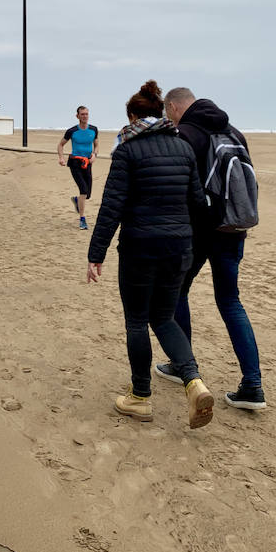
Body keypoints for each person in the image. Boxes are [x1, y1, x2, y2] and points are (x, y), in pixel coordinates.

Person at [87, 80, 214, 429]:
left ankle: (140, 397)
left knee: (137, 320)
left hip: (140, 248)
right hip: (179, 247)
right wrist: (191, 244)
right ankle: (194, 382)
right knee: (164, 317)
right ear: (159, 113)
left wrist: (96, 254)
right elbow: (197, 204)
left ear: (132, 116)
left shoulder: (128, 150)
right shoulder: (183, 148)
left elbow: (112, 207)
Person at [156, 87, 266, 411]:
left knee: (176, 291)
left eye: (167, 112)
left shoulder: (186, 133)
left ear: (174, 107)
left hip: (199, 232)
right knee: (230, 301)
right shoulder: (234, 132)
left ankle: (182, 365)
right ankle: (253, 385)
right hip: (233, 229)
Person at [58, 106, 99, 230]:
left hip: (87, 163)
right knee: (83, 190)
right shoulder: (72, 131)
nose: (85, 116)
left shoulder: (94, 129)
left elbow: (96, 145)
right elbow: (60, 144)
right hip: (75, 163)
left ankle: (77, 201)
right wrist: (61, 158)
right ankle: (82, 219)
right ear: (77, 116)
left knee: (88, 194)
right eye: (82, 114)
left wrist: (94, 155)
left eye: (86, 114)